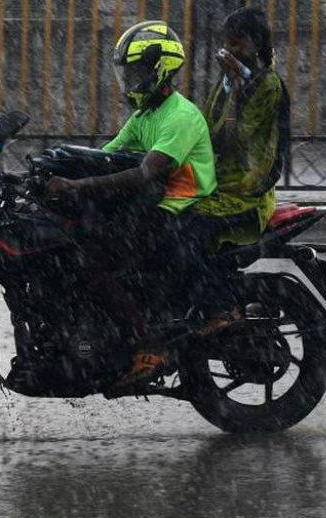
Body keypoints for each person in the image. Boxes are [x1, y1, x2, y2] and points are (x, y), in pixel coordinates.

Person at [45, 20, 217, 385]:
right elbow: (105, 156)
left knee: (92, 259)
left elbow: (144, 174)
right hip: (153, 205)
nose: (130, 81)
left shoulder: (180, 116)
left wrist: (79, 185)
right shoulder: (145, 115)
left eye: (137, 72)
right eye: (128, 73)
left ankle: (149, 342)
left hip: (182, 209)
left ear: (161, 70)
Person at [193, 6, 290, 250]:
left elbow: (236, 140)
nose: (229, 51)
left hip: (245, 196)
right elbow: (207, 132)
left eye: (236, 43)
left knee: (185, 224)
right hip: (215, 184)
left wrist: (235, 90)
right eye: (227, 44)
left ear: (256, 43)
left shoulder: (268, 85)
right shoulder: (228, 79)